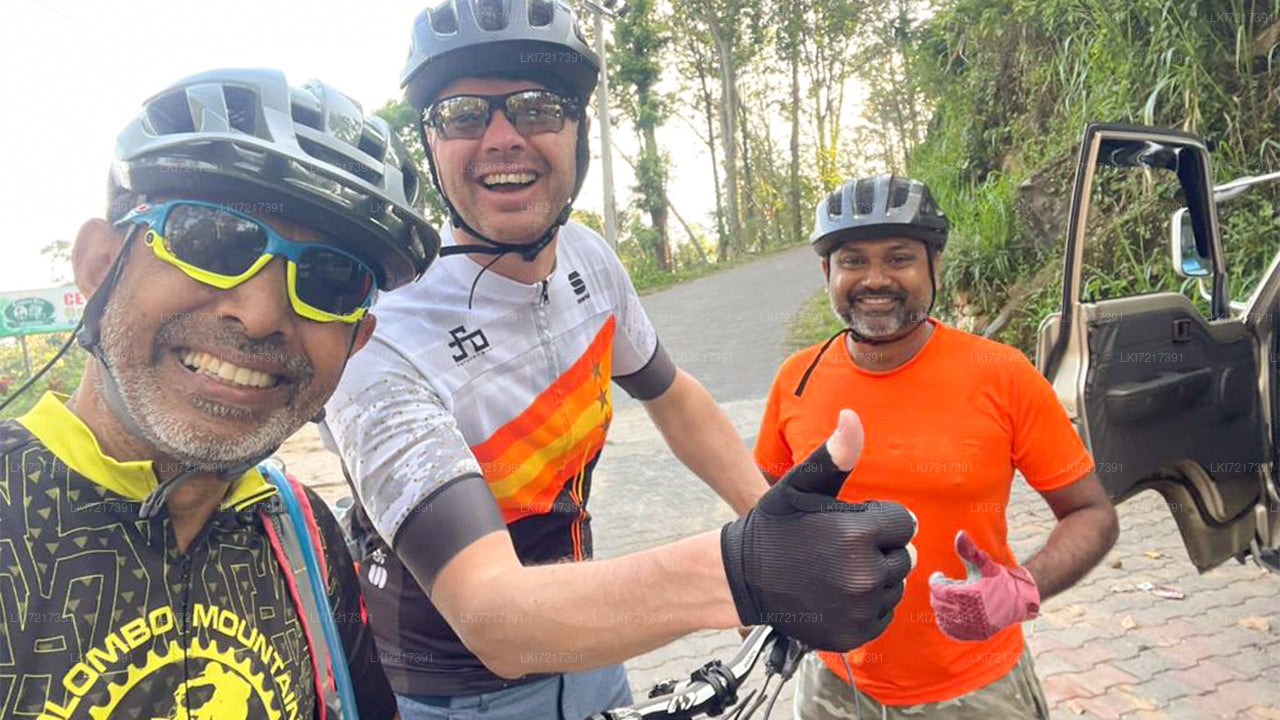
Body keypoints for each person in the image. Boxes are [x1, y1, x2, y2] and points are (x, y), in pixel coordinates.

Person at [320, 2, 918, 718]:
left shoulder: (589, 261)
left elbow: (672, 394)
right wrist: (747, 572)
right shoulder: (380, 332)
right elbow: (492, 616)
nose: (502, 137)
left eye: (537, 107)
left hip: (594, 650)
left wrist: (773, 522)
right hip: (455, 693)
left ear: (579, 133)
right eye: (463, 114)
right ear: (429, 142)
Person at [0, 68, 438, 720]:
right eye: (211, 240)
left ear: (356, 341)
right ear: (99, 266)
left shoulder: (305, 537)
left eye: (331, 280)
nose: (260, 316)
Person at [754, 174, 1121, 719]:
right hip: (833, 684)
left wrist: (1022, 587)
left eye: (899, 258)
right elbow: (764, 514)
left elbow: (1092, 514)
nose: (875, 279)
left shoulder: (1002, 374)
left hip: (977, 689)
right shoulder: (796, 380)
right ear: (827, 273)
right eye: (852, 261)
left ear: (935, 267)